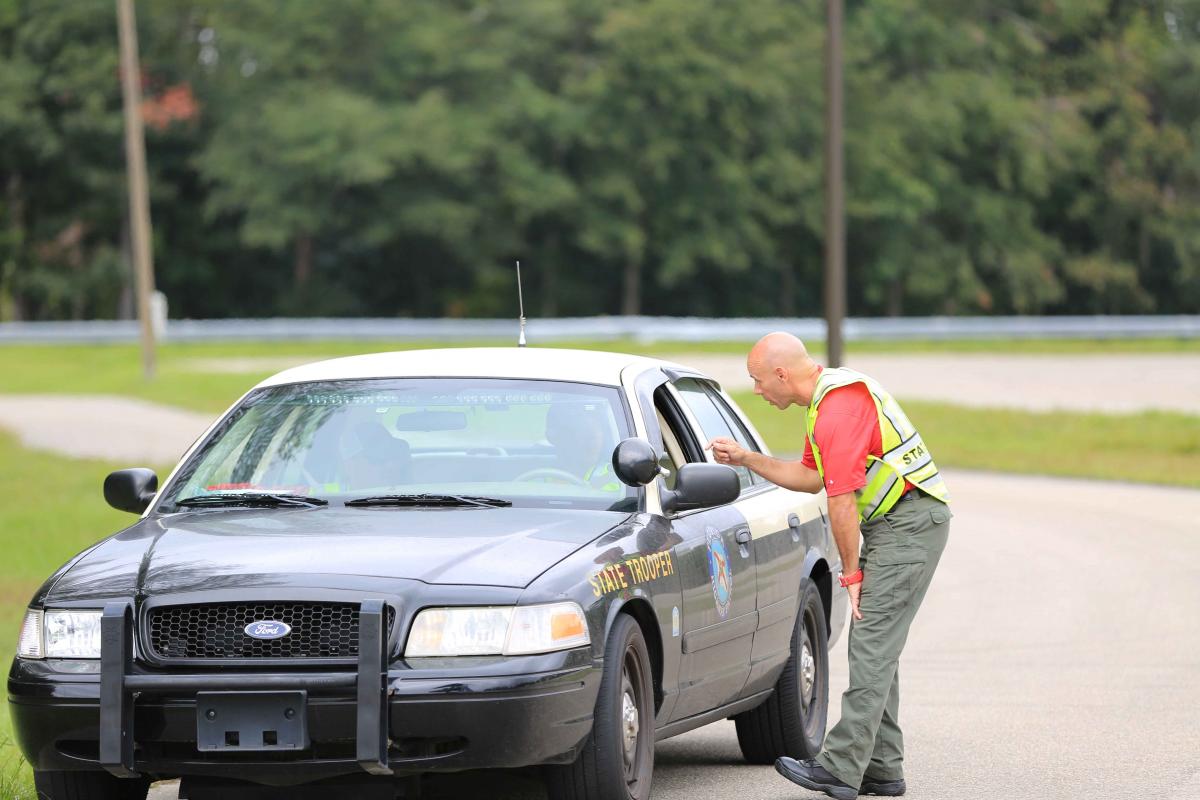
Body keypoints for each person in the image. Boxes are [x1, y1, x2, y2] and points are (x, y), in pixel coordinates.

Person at [707, 332, 951, 800]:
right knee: (875, 645)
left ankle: (840, 768)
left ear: (781, 374)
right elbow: (809, 477)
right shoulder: (823, 403)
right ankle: (882, 767)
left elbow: (840, 500)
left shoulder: (837, 410)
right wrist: (746, 458)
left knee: (872, 646)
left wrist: (851, 574)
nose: (756, 390)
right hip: (899, 524)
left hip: (909, 526)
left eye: (757, 380)